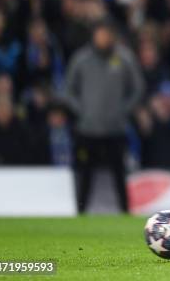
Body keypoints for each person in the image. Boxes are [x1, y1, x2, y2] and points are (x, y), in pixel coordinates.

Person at [64, 19, 144, 213]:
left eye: (107, 34)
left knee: (119, 174)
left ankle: (125, 212)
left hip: (115, 128)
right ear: (94, 35)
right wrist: (82, 110)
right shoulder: (82, 59)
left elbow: (138, 87)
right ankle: (80, 212)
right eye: (100, 33)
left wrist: (123, 109)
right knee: (85, 174)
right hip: (87, 129)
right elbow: (68, 90)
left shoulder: (124, 58)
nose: (103, 38)